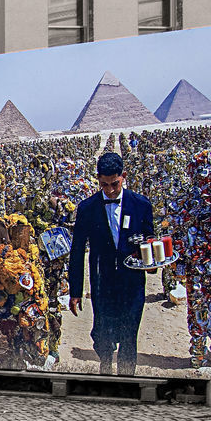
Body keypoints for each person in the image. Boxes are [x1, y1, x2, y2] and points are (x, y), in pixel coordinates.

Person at [67, 152, 154, 376]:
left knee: (129, 334)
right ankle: (105, 366)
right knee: (102, 333)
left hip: (132, 283)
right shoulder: (87, 208)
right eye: (104, 185)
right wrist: (75, 291)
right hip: (102, 282)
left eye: (114, 184)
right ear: (98, 180)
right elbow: (76, 252)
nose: (110, 190)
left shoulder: (141, 205)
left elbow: (149, 242)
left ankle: (126, 378)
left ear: (123, 176)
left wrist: (151, 263)